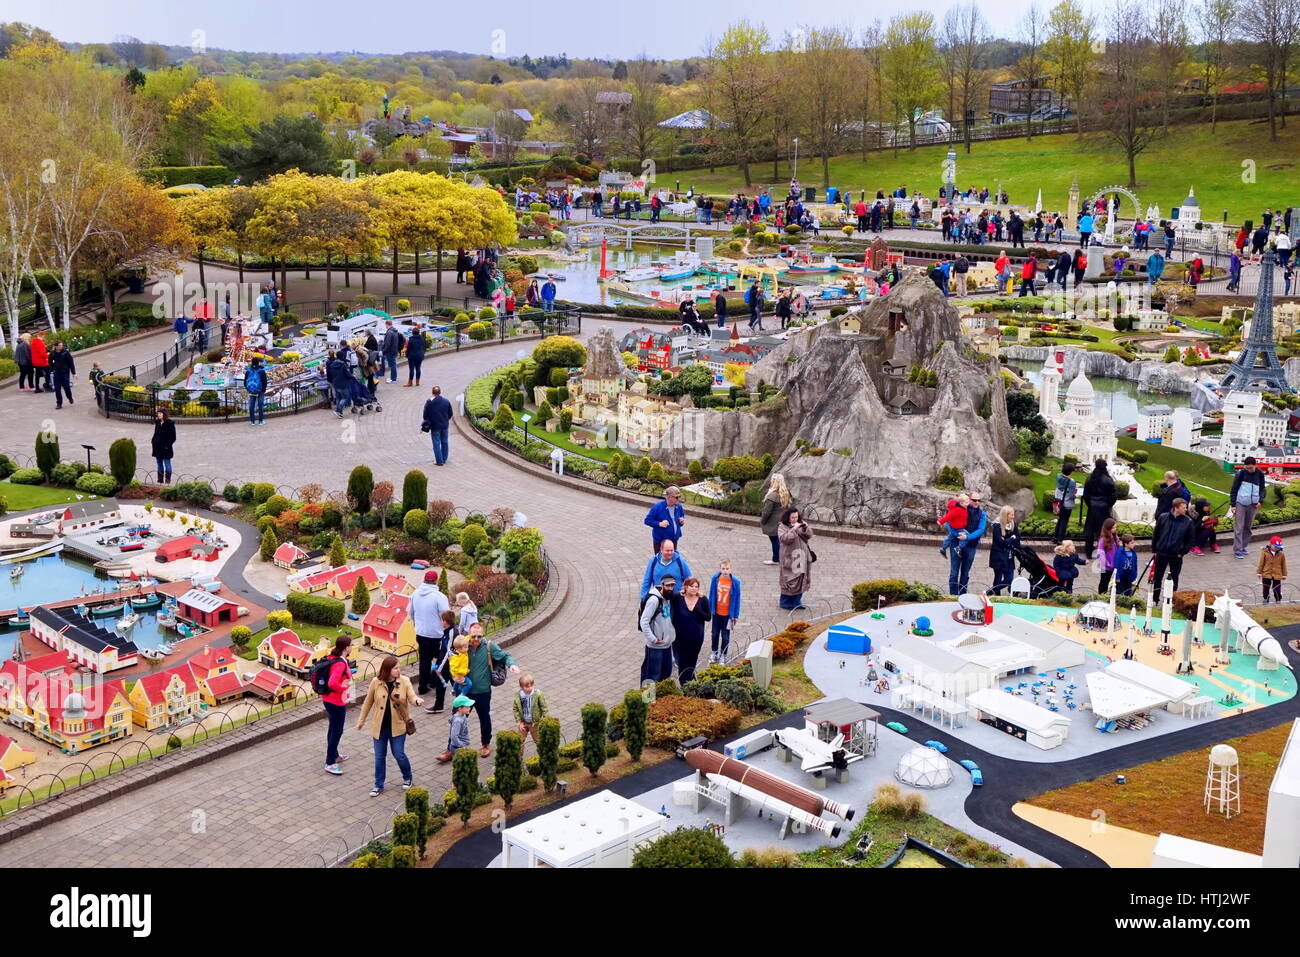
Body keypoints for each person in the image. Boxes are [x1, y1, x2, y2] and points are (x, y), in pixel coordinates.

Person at [355, 654, 423, 797]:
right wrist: (361, 721)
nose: (399, 670)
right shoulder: (376, 682)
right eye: (395, 668)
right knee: (379, 756)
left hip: (398, 725)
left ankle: (408, 776)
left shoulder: (404, 681)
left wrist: (417, 700)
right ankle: (378, 785)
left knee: (398, 753)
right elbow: (368, 702)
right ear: (387, 669)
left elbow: (411, 696)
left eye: (399, 668)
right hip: (379, 727)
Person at [461, 621, 518, 756]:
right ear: (469, 635)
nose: (476, 639)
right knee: (458, 718)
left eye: (479, 636)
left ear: (482, 635)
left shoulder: (488, 646)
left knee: (484, 718)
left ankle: (485, 744)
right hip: (465, 691)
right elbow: (452, 660)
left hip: (483, 691)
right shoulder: (463, 646)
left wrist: (511, 665)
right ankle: (451, 748)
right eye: (473, 636)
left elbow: (505, 656)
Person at [411, 568, 450, 700]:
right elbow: (446, 616)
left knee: (424, 660)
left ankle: (422, 687)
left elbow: (410, 612)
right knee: (441, 658)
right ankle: (433, 681)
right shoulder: (439, 597)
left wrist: (416, 624)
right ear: (436, 581)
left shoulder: (415, 594)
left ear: (424, 580)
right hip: (436, 635)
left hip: (421, 633)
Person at [320, 636, 353, 777]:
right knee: (337, 731)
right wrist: (343, 688)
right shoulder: (340, 663)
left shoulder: (332, 657)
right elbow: (332, 683)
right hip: (336, 701)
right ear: (346, 648)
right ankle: (330, 762)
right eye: (351, 645)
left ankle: (335, 755)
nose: (352, 647)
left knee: (333, 728)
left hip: (328, 699)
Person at [1152, 498, 1195, 602]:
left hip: (1176, 556)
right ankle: (1155, 599)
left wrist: (1182, 552)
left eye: (1186, 507)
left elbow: (1190, 540)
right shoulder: (1163, 517)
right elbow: (1156, 534)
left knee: (1174, 578)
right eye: (1183, 508)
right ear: (1176, 508)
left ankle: (1171, 600)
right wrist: (1154, 549)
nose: (1186, 510)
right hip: (1161, 554)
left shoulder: (1188, 522)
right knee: (1157, 578)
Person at [672, 577, 711, 683]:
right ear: (686, 587)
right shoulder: (678, 598)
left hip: (696, 637)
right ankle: (684, 683)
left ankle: (690, 682)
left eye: (696, 587)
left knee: (692, 660)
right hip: (680, 637)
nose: (694, 589)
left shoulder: (703, 600)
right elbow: (667, 598)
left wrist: (699, 611)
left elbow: (708, 617)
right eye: (691, 586)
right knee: (682, 661)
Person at [639, 575, 678, 684]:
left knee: (665, 675)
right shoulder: (654, 600)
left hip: (666, 645)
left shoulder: (668, 598)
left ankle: (661, 700)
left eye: (672, 585)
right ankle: (648, 700)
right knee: (652, 677)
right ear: (662, 585)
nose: (670, 588)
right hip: (655, 647)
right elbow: (644, 621)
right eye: (668, 585)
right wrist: (653, 639)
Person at [777, 507, 813, 610]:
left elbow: (809, 535)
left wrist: (805, 528)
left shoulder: (801, 523)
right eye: (792, 517)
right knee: (789, 579)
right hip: (789, 558)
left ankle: (797, 602)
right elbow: (785, 539)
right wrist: (793, 530)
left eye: (796, 517)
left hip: (802, 557)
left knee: (801, 579)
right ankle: (785, 602)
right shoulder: (782, 527)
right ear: (788, 517)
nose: (794, 519)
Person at [1081, 458, 1118, 558]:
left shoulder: (1090, 478)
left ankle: (1088, 553)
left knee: (1090, 531)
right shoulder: (1108, 480)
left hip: (1092, 507)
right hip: (1103, 507)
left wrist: (1091, 504)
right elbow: (1114, 495)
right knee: (1102, 531)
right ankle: (1102, 552)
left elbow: (1086, 495)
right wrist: (1107, 504)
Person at [1231, 456, 1266, 558]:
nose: (1248, 470)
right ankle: (1237, 550)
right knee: (1239, 527)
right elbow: (1234, 489)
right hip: (1240, 503)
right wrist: (1233, 505)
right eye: (1247, 468)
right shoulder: (1240, 474)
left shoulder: (1260, 474)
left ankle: (1243, 546)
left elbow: (1263, 489)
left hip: (1253, 504)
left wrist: (1260, 500)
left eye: (1250, 468)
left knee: (1248, 527)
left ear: (1255, 465)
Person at [708, 559, 741, 665]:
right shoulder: (715, 579)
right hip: (716, 613)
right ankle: (714, 652)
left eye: (727, 569)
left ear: (731, 569)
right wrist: (710, 608)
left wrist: (735, 615)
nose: (725, 571)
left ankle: (723, 654)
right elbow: (711, 594)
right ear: (720, 569)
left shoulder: (735, 582)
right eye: (723, 569)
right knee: (714, 634)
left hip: (728, 615)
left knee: (725, 636)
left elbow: (737, 599)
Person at [512, 674, 548, 756]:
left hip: (534, 723)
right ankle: (518, 760)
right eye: (527, 687)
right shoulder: (519, 696)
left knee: (538, 741)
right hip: (523, 722)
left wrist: (545, 720)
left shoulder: (537, 694)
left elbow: (544, 708)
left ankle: (544, 756)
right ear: (521, 686)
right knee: (519, 741)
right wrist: (519, 722)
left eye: (531, 685)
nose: (530, 688)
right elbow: (515, 709)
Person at [760, 473, 792, 565]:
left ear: (774, 482)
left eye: (772, 480)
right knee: (781, 540)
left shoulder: (772, 496)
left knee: (775, 540)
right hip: (783, 521)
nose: (770, 481)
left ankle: (776, 559)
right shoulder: (786, 493)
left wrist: (763, 521)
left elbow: (767, 512)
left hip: (773, 523)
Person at [988, 505, 1019, 596]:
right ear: (1006, 515)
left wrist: (1007, 540)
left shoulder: (1012, 524)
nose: (1013, 517)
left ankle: (989, 592)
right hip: (998, 557)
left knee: (1009, 579)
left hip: (1009, 557)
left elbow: (1018, 536)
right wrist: (1012, 538)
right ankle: (997, 597)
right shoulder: (997, 526)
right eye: (1011, 515)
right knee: (997, 578)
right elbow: (1000, 542)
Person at [644, 486, 686, 553]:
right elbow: (647, 520)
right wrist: (660, 524)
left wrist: (681, 521)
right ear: (669, 497)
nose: (678, 499)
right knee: (660, 561)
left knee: (672, 560)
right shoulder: (658, 506)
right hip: (661, 541)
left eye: (679, 496)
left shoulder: (679, 506)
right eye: (677, 497)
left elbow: (682, 516)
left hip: (673, 540)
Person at [436, 695, 475, 763]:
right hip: (458, 747)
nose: (469, 708)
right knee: (462, 765)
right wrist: (461, 746)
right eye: (467, 707)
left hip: (461, 745)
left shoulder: (463, 715)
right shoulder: (458, 721)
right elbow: (453, 736)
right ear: (460, 709)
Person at [421, 385, 453, 467]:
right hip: (445, 425)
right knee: (445, 442)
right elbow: (450, 414)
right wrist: (445, 420)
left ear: (432, 393)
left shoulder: (429, 403)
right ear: (440, 392)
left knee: (436, 444)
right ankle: (444, 458)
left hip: (435, 427)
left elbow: (425, 416)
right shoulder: (446, 401)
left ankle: (439, 461)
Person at [936, 492, 970, 558]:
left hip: (955, 526)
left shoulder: (963, 507)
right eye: (966, 503)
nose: (968, 504)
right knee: (967, 536)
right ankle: (959, 548)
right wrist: (940, 521)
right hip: (958, 528)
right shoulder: (957, 510)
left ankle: (943, 548)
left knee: (950, 538)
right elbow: (948, 516)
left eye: (968, 502)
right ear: (961, 503)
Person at [1052, 462, 1078, 545]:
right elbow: (1071, 495)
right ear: (1070, 472)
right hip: (1066, 504)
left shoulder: (1058, 476)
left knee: (1060, 520)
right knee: (1064, 522)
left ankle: (1055, 538)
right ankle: (1060, 539)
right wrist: (1076, 494)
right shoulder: (1071, 482)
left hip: (1058, 502)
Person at [1094, 517, 1121, 594]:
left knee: (1110, 581)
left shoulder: (1114, 537)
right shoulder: (1103, 540)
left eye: (1116, 527)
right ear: (1108, 528)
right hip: (1105, 566)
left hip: (1113, 565)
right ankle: (1101, 595)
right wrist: (1107, 563)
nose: (1115, 529)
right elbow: (1100, 554)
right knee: (1104, 582)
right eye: (1114, 527)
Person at [1258, 536, 1287, 604]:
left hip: (1277, 574)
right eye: (1275, 547)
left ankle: (1278, 599)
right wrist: (1259, 572)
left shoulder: (1281, 554)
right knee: (1266, 587)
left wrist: (1284, 574)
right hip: (1266, 573)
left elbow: (1283, 564)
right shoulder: (1265, 552)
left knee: (1277, 588)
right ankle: (1266, 598)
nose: (1277, 548)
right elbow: (1261, 563)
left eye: (1278, 547)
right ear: (1271, 545)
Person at [150, 409, 176, 485]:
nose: (159, 415)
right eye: (158, 413)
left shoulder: (170, 424)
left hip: (166, 448)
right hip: (157, 447)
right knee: (159, 463)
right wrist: (153, 441)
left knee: (167, 463)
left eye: (161, 413)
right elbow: (156, 433)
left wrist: (167, 445)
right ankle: (160, 480)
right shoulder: (157, 423)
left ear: (164, 414)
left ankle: (168, 480)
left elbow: (173, 437)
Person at [49, 340, 75, 409]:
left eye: (61, 345)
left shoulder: (65, 352)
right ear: (56, 346)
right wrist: (52, 369)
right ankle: (59, 403)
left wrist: (73, 373)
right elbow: (50, 362)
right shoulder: (52, 353)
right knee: (57, 389)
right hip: (56, 373)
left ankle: (69, 397)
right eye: (60, 345)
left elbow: (71, 363)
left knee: (67, 387)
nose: (61, 346)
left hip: (65, 373)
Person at [244, 356, 267, 426]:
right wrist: (263, 390)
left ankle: (252, 421)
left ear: (252, 363)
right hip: (260, 391)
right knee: (260, 405)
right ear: (258, 363)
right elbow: (264, 382)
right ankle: (260, 421)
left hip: (251, 390)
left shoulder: (248, 371)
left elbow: (245, 382)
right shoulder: (262, 371)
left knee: (251, 406)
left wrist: (248, 389)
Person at [404, 323, 426, 387]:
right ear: (418, 332)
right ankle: (417, 382)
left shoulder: (411, 339)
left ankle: (410, 382)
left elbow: (408, 348)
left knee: (411, 369)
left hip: (412, 356)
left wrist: (406, 355)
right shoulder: (422, 338)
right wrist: (422, 354)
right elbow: (424, 347)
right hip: (420, 355)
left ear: (412, 333)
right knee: (418, 368)